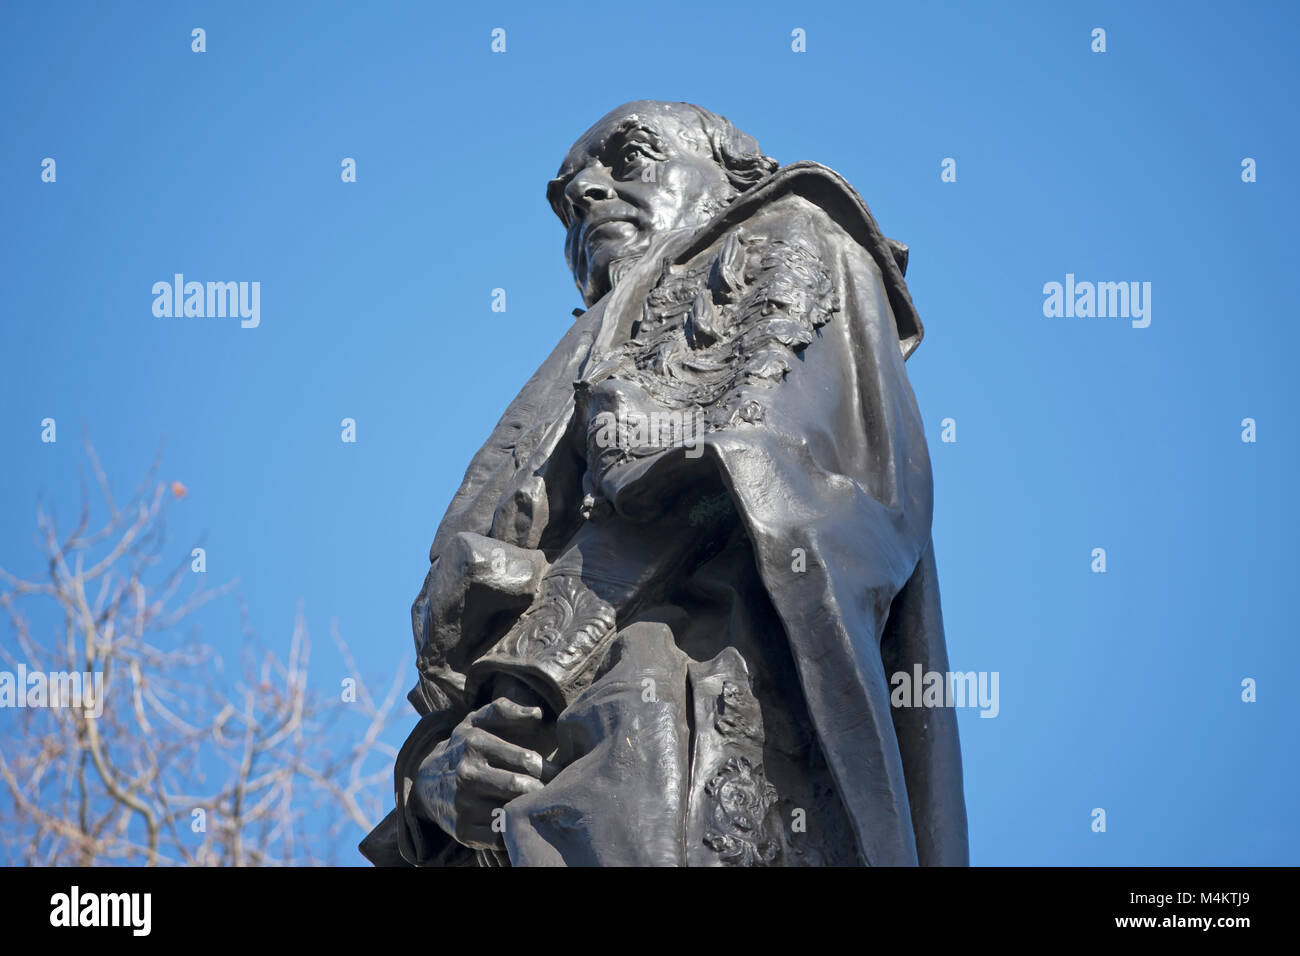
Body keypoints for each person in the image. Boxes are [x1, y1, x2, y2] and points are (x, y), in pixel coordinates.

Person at [361, 101, 968, 866]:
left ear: (732, 179)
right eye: (567, 191)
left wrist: (525, 685)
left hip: (682, 739)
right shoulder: (573, 364)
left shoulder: (786, 235)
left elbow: (731, 474)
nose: (585, 191)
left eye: (630, 157)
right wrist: (431, 787)